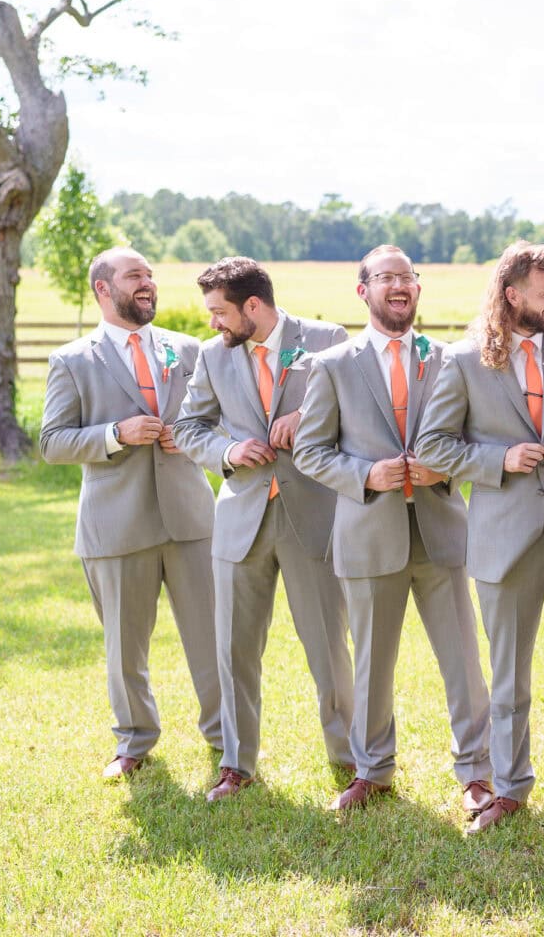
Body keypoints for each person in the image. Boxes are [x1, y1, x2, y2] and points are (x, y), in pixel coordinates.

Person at [292, 245, 492, 812]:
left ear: (418, 289)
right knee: (372, 666)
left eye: (407, 277)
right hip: (368, 534)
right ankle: (373, 770)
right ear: (364, 291)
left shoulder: (451, 360)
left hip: (441, 530)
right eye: (386, 278)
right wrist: (366, 474)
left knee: (464, 664)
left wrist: (446, 464)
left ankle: (477, 772)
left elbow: (474, 438)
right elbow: (311, 451)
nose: (399, 286)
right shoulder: (332, 365)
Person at [415, 241, 544, 834]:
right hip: (503, 540)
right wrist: (500, 458)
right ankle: (511, 787)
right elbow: (434, 447)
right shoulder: (465, 362)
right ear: (511, 296)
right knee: (510, 677)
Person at [172, 257, 354, 800]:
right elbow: (188, 426)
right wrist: (226, 450)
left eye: (220, 312)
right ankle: (236, 762)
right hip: (241, 519)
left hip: (314, 515)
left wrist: (311, 417)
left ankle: (350, 760)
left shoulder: (327, 340)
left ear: (254, 306)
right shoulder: (211, 356)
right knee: (233, 649)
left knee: (328, 645)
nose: (213, 324)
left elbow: (357, 411)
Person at [39, 246, 221, 778]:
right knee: (124, 645)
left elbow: (221, 423)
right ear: (103, 289)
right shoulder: (72, 361)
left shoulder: (190, 351)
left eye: (150, 275)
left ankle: (226, 735)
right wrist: (115, 435)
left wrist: (194, 441)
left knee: (214, 635)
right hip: (115, 526)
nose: (147, 283)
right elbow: (52, 442)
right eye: (134, 275)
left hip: (191, 518)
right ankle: (135, 742)